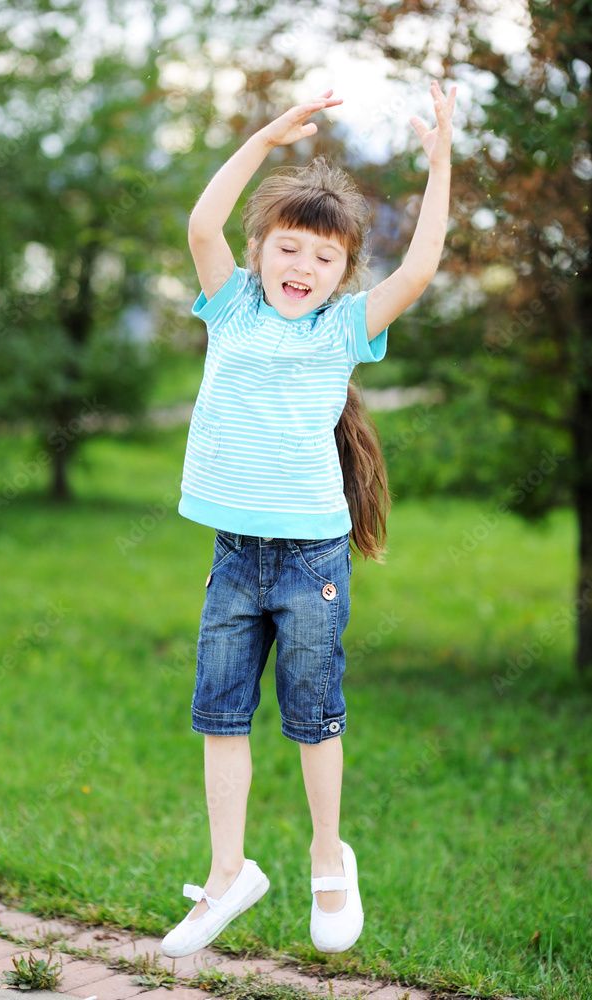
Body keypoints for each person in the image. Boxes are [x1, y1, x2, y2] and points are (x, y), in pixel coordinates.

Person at [161, 80, 456, 959]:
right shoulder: (232, 305)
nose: (302, 267)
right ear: (260, 253)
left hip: (310, 561)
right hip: (233, 553)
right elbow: (201, 227)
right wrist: (261, 140)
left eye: (322, 259)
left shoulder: (343, 332)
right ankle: (227, 875)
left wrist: (439, 165)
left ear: (341, 274)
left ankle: (330, 857)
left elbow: (421, 269)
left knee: (311, 716)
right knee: (218, 713)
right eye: (287, 248)